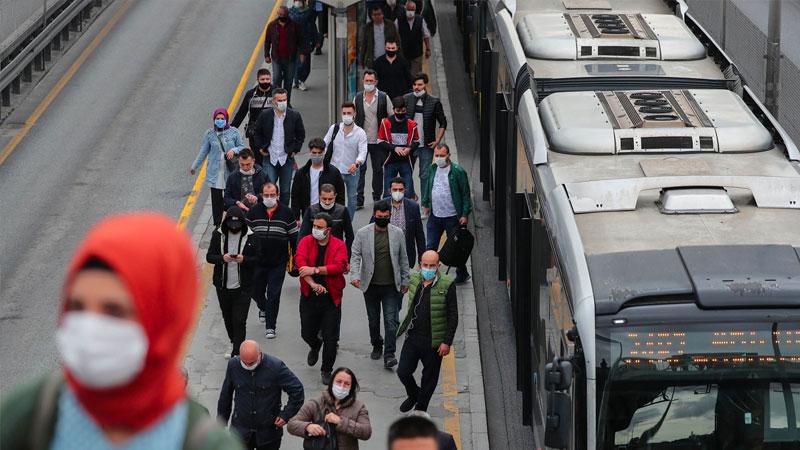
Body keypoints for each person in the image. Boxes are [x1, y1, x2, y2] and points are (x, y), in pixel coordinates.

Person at [0, 213, 242, 449]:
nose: (91, 327)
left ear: (163, 319)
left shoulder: (202, 440)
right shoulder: (37, 412)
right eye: (77, 307)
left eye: (114, 311)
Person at [396, 250, 458, 412]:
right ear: (420, 265)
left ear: (438, 265)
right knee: (403, 371)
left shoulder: (447, 283)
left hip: (434, 341)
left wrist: (447, 342)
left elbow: (453, 316)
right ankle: (414, 393)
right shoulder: (414, 278)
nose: (428, 268)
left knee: (429, 378)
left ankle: (420, 409)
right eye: (425, 265)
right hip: (413, 336)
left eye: (432, 265)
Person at [350, 201, 410, 369]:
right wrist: (355, 276)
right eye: (379, 217)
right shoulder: (363, 234)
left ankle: (389, 354)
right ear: (374, 215)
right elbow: (355, 256)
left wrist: (406, 280)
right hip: (370, 286)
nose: (382, 219)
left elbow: (403, 258)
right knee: (373, 320)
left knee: (391, 322)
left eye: (385, 217)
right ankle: (377, 343)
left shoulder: (397, 233)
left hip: (391, 286)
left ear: (389, 216)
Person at [218, 340, 305, 450]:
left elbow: (297, 390)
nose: (248, 366)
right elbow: (226, 394)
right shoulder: (233, 365)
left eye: (252, 363)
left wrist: (285, 415)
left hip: (268, 434)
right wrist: (221, 423)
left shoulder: (276, 367)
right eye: (244, 362)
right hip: (240, 432)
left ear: (260, 354)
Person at [295, 213, 349, 384]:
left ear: (328, 230)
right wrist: (312, 284)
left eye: (319, 227)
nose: (316, 230)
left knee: (330, 337)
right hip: (309, 296)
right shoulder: (305, 242)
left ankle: (327, 369)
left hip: (331, 298)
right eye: (314, 226)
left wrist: (316, 270)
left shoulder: (339, 245)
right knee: (306, 332)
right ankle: (314, 345)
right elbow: (301, 265)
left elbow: (339, 266)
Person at [207, 206, 260, 358]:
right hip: (223, 286)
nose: (234, 228)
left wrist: (245, 260)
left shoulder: (252, 237)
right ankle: (234, 342)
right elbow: (209, 256)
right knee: (228, 317)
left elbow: (258, 258)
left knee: (239, 320)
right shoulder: (218, 235)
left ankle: (238, 352)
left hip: (243, 287)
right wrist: (222, 258)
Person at [248, 183, 299, 338]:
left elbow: (293, 237)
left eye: (272, 195)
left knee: (274, 294)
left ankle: (271, 326)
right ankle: (263, 307)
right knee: (254, 290)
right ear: (261, 195)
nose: (269, 198)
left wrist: (297, 258)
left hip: (278, 262)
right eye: (266, 195)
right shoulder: (253, 212)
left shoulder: (287, 213)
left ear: (277, 195)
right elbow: (247, 236)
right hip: (257, 262)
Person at [421, 144, 471, 283]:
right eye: (436, 155)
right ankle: (428, 274)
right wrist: (425, 203)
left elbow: (465, 194)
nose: (439, 158)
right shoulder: (433, 169)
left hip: (452, 217)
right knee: (430, 246)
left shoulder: (457, 171)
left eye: (442, 155)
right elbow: (428, 186)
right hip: (435, 216)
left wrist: (464, 214)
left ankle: (462, 273)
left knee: (455, 248)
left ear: (449, 155)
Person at [287, 367, 372, 450]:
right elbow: (292, 424)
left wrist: (340, 422)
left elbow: (366, 432)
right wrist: (307, 427)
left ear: (351, 388)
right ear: (332, 383)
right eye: (339, 382)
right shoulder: (316, 403)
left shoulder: (359, 407)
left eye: (347, 384)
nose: (342, 386)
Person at [191, 108, 245, 226]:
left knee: (230, 198)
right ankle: (217, 224)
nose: (220, 121)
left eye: (222, 119)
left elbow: (242, 147)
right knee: (216, 201)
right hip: (214, 172)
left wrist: (234, 150)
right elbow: (203, 151)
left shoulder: (234, 132)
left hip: (230, 171)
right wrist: (194, 166)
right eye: (217, 119)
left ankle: (232, 220)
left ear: (226, 119)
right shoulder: (210, 134)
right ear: (214, 119)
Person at [252, 88, 306, 206]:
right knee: (270, 189)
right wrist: (261, 147)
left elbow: (301, 134)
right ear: (274, 101)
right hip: (269, 157)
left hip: (286, 158)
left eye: (285, 100)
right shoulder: (265, 115)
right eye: (280, 100)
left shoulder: (294, 115)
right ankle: (270, 212)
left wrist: (295, 149)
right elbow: (257, 132)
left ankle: (283, 214)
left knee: (286, 191)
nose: (282, 102)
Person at [404, 72, 447, 217]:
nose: (417, 87)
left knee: (424, 176)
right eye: (415, 85)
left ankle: (424, 206)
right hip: (409, 146)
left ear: (425, 85)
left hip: (427, 146)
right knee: (406, 175)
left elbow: (443, 123)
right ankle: (411, 198)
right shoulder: (407, 99)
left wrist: (437, 141)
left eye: (420, 84)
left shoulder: (434, 102)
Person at [354, 69, 394, 206]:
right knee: (360, 169)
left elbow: (391, 117)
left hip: (378, 141)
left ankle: (377, 196)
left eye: (371, 81)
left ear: (376, 82)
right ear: (363, 81)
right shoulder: (358, 98)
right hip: (362, 141)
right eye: (366, 81)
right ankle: (359, 199)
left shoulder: (383, 97)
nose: (369, 83)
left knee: (378, 170)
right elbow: (354, 117)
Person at [323, 102, 368, 219]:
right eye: (344, 113)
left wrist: (357, 163)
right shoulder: (334, 128)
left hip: (352, 171)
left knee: (352, 199)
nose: (346, 115)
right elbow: (324, 144)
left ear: (354, 114)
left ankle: (348, 222)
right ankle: (333, 221)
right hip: (334, 170)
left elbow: (363, 151)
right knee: (332, 197)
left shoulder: (360, 133)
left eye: (349, 113)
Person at [291, 138, 345, 219]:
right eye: (314, 153)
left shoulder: (334, 172)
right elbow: (295, 196)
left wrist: (339, 215)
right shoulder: (301, 173)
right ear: (310, 151)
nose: (317, 155)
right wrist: (296, 217)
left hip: (328, 213)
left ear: (324, 152)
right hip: (308, 212)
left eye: (319, 153)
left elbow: (340, 195)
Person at [378, 96, 419, 200]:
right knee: (388, 192)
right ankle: (387, 213)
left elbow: (417, 141)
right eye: (398, 110)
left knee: (408, 191)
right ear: (394, 110)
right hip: (390, 161)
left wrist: (409, 148)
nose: (400, 113)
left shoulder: (412, 124)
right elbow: (380, 140)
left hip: (406, 161)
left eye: (403, 110)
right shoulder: (386, 122)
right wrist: (394, 148)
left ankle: (408, 212)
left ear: (406, 110)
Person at [231, 68, 273, 165]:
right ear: (258, 80)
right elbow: (241, 113)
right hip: (255, 133)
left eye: (267, 79)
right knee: (258, 161)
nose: (265, 81)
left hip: (272, 132)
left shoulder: (276, 92)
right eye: (262, 79)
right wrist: (231, 130)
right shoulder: (250, 94)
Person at [298, 183, 354, 256]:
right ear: (319, 196)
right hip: (313, 251)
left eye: (330, 199)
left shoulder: (343, 211)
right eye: (324, 199)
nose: (327, 202)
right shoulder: (311, 210)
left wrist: (348, 257)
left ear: (335, 196)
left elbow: (349, 236)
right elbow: (303, 234)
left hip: (335, 251)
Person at [264, 6, 303, 102]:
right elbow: (267, 41)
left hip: (290, 59)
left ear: (287, 15)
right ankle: (277, 101)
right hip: (276, 58)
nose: (281, 16)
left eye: (283, 15)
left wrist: (302, 53)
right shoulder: (272, 26)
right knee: (276, 79)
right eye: (280, 14)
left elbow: (300, 40)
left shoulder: (294, 26)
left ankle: (287, 102)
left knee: (288, 81)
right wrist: (266, 55)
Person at [384, 177, 425, 268]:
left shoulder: (413, 207)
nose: (397, 192)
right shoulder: (382, 205)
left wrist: (422, 259)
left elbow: (419, 235)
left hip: (406, 254)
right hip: (386, 253)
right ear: (389, 190)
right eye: (395, 189)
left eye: (400, 189)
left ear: (405, 190)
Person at [224, 148, 271, 212]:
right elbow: (226, 198)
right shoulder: (232, 177)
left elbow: (270, 193)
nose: (245, 167)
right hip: (239, 211)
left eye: (248, 164)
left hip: (259, 210)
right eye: (242, 164)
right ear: (238, 162)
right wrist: (237, 203)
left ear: (253, 161)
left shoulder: (262, 175)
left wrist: (257, 197)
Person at [359, 4, 400, 69]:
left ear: (383, 14)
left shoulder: (391, 25)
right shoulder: (368, 28)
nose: (377, 16)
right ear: (371, 16)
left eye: (379, 14)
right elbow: (364, 45)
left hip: (388, 60)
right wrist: (361, 62)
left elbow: (398, 42)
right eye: (375, 15)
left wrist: (399, 59)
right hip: (373, 61)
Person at [395, 1, 430, 75]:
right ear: (405, 9)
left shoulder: (420, 20)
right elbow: (394, 35)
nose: (410, 12)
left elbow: (426, 35)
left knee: (416, 75)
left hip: (416, 53)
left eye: (412, 10)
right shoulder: (399, 20)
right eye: (408, 10)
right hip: (403, 53)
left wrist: (428, 49)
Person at [290, 0, 317, 92]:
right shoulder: (291, 12)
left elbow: (313, 26)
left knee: (305, 64)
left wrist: (315, 40)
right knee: (298, 63)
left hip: (305, 42)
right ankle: (298, 80)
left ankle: (299, 80)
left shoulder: (308, 12)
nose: (298, 2)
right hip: (294, 42)